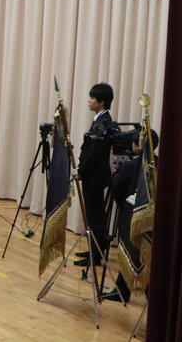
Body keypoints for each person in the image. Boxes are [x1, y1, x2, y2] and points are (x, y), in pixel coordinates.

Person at [101, 129, 159, 302]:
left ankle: (122, 290)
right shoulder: (160, 164)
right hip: (153, 220)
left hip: (131, 216)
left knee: (128, 251)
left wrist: (123, 205)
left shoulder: (131, 166)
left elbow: (117, 188)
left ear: (137, 144)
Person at [74, 83, 117, 267]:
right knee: (93, 216)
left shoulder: (103, 122)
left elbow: (94, 153)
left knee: (95, 217)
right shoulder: (100, 119)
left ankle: (96, 255)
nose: (89, 101)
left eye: (92, 98)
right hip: (93, 176)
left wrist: (81, 171)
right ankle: (94, 249)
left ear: (101, 102)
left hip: (94, 177)